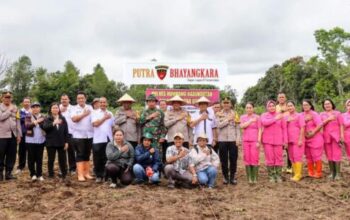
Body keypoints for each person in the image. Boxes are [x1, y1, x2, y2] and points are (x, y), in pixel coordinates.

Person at [261, 100, 287, 183]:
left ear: (275, 106)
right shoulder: (264, 115)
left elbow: (284, 129)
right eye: (269, 106)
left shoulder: (281, 116)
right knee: (270, 158)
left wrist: (285, 141)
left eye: (273, 106)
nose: (271, 107)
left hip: (278, 141)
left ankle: (278, 175)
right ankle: (271, 176)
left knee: (279, 158)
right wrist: (275, 118)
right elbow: (265, 123)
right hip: (267, 141)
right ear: (267, 107)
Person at [216, 97, 241, 185]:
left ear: (231, 104)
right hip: (222, 140)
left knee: (233, 159)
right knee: (223, 159)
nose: (226, 104)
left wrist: (238, 138)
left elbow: (237, 128)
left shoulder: (235, 114)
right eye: (224, 103)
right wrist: (228, 119)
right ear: (222, 104)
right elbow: (218, 125)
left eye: (228, 103)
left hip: (232, 140)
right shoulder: (218, 114)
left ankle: (233, 176)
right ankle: (225, 176)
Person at [71, 91, 94, 181]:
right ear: (77, 99)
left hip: (89, 135)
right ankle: (80, 174)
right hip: (78, 136)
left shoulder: (90, 107)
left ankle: (87, 173)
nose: (81, 100)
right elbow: (74, 119)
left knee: (87, 154)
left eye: (82, 98)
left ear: (85, 98)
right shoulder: (74, 108)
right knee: (80, 154)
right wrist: (84, 114)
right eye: (79, 98)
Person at [42, 102, 69, 179]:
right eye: (53, 108)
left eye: (56, 107)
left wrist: (66, 142)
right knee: (51, 159)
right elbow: (45, 127)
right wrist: (54, 123)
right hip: (51, 142)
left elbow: (66, 131)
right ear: (50, 109)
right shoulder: (47, 118)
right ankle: (51, 174)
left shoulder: (62, 118)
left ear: (59, 109)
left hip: (61, 142)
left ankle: (64, 173)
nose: (55, 109)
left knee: (62, 159)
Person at [91, 97, 114, 183]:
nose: (103, 104)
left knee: (107, 158)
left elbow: (113, 126)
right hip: (98, 139)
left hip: (108, 139)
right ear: (98, 104)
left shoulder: (110, 113)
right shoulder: (94, 113)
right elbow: (95, 124)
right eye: (101, 102)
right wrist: (104, 118)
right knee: (97, 158)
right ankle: (98, 175)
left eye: (104, 102)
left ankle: (106, 175)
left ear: (107, 103)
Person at [320, 99, 344, 180]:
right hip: (326, 137)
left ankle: (338, 174)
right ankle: (332, 172)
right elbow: (320, 124)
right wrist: (328, 119)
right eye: (325, 104)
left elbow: (341, 125)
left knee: (336, 154)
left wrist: (342, 136)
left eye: (329, 103)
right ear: (323, 106)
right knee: (329, 154)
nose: (327, 105)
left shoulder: (337, 113)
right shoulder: (322, 114)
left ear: (332, 104)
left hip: (336, 137)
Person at [0, 91, 21, 181]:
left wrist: (19, 134)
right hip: (2, 135)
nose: (7, 99)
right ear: (2, 98)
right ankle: (0, 174)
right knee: (1, 155)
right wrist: (9, 110)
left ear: (11, 98)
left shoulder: (15, 107)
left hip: (13, 134)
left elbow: (18, 121)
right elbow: (1, 117)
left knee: (11, 155)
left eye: (9, 97)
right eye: (6, 97)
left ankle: (9, 173)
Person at [139, 94, 167, 162]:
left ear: (156, 102)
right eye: (149, 101)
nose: (151, 103)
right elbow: (140, 122)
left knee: (158, 155)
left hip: (157, 138)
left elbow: (163, 126)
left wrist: (162, 136)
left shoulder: (160, 112)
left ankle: (158, 170)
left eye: (153, 101)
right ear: (147, 102)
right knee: (146, 154)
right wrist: (150, 116)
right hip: (146, 139)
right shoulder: (143, 112)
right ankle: (146, 170)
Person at [240, 102, 261, 184]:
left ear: (253, 108)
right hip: (245, 140)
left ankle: (254, 177)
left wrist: (259, 141)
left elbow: (260, 129)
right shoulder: (243, 117)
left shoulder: (257, 117)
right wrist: (250, 121)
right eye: (247, 108)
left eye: (250, 107)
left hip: (254, 140)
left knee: (254, 158)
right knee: (247, 158)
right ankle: (249, 178)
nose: (249, 109)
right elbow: (242, 126)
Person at [302, 100, 324, 178]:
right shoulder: (301, 115)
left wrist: (313, 132)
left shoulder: (314, 114)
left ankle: (318, 172)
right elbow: (299, 123)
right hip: (306, 138)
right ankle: (310, 171)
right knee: (308, 156)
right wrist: (306, 120)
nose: (305, 106)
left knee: (316, 155)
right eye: (304, 105)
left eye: (307, 105)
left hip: (315, 138)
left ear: (310, 106)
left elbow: (320, 124)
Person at [285, 101, 305, 182]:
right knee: (291, 156)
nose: (290, 107)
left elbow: (302, 127)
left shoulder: (299, 115)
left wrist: (300, 139)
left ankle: (298, 174)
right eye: (288, 106)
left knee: (297, 156)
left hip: (297, 139)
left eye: (291, 106)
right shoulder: (286, 117)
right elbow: (284, 128)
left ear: (294, 106)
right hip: (289, 140)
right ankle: (295, 173)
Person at [25, 102, 45, 181]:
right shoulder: (28, 116)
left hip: (41, 140)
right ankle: (32, 174)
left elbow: (45, 126)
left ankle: (39, 174)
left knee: (39, 158)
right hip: (30, 140)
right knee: (31, 158)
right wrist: (36, 121)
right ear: (31, 108)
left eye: (37, 107)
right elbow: (27, 126)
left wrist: (40, 122)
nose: (35, 108)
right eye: (33, 107)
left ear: (40, 108)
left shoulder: (43, 116)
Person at [276, 92, 292, 174]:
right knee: (279, 150)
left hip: (289, 130)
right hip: (279, 131)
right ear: (277, 99)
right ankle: (280, 166)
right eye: (280, 97)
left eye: (283, 97)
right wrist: (281, 112)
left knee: (289, 149)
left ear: (285, 98)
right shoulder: (275, 107)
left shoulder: (289, 106)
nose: (281, 98)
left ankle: (289, 167)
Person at [60, 94, 76, 175]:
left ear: (69, 100)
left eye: (65, 99)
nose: (64, 101)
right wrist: (60, 111)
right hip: (60, 134)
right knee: (61, 152)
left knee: (71, 151)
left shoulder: (73, 108)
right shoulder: (58, 108)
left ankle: (72, 168)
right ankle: (63, 168)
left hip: (70, 133)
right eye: (62, 99)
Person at [16, 97, 31, 174]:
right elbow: (20, 119)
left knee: (31, 150)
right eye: (25, 102)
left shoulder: (33, 110)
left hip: (32, 134)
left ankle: (30, 166)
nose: (26, 103)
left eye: (28, 102)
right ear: (22, 103)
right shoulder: (19, 111)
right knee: (22, 150)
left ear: (30, 103)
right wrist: (28, 117)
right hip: (23, 133)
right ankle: (21, 166)